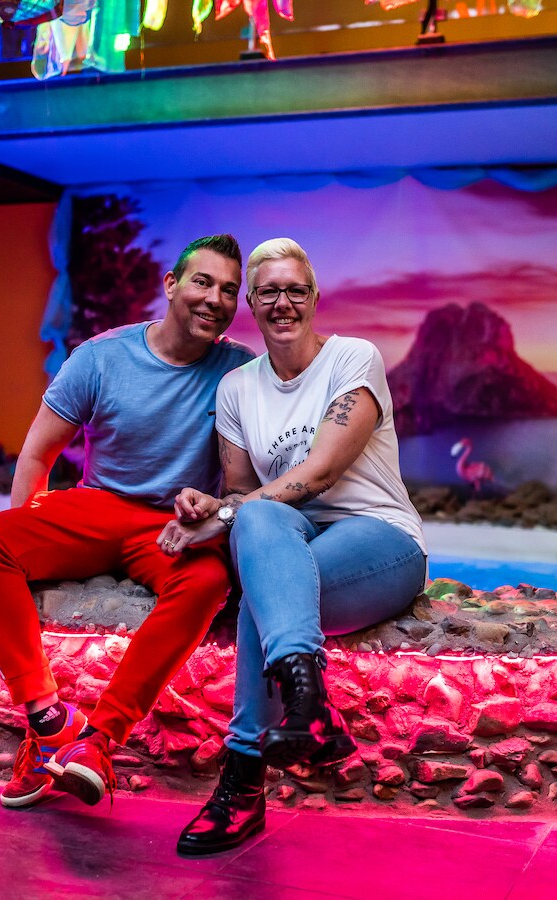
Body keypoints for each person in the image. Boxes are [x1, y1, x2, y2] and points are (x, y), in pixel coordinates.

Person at [0, 234, 254, 810]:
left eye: (228, 290)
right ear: (171, 285)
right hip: (95, 507)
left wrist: (214, 511)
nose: (214, 299)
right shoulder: (101, 356)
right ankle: (48, 722)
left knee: (207, 580)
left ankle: (97, 742)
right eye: (202, 282)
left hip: (170, 523)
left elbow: (251, 477)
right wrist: (28, 545)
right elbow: (37, 454)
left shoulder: (242, 370)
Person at [156, 238, 426, 855]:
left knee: (264, 589)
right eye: (269, 292)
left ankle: (243, 779)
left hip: (379, 539)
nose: (283, 303)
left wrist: (224, 515)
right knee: (261, 538)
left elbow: (321, 472)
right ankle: (310, 706)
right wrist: (214, 506)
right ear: (251, 303)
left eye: (295, 291)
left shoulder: (353, 358)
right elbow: (243, 493)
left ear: (315, 297)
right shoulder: (236, 388)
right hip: (287, 539)